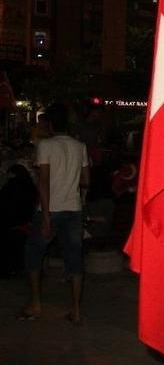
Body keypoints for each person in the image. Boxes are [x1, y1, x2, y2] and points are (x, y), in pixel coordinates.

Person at [19, 103, 90, 324]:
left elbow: (44, 182)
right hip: (73, 209)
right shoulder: (80, 146)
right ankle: (76, 309)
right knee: (74, 258)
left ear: (50, 124)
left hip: (51, 208)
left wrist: (46, 218)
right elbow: (86, 180)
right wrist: (70, 182)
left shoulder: (45, 145)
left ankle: (36, 304)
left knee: (33, 254)